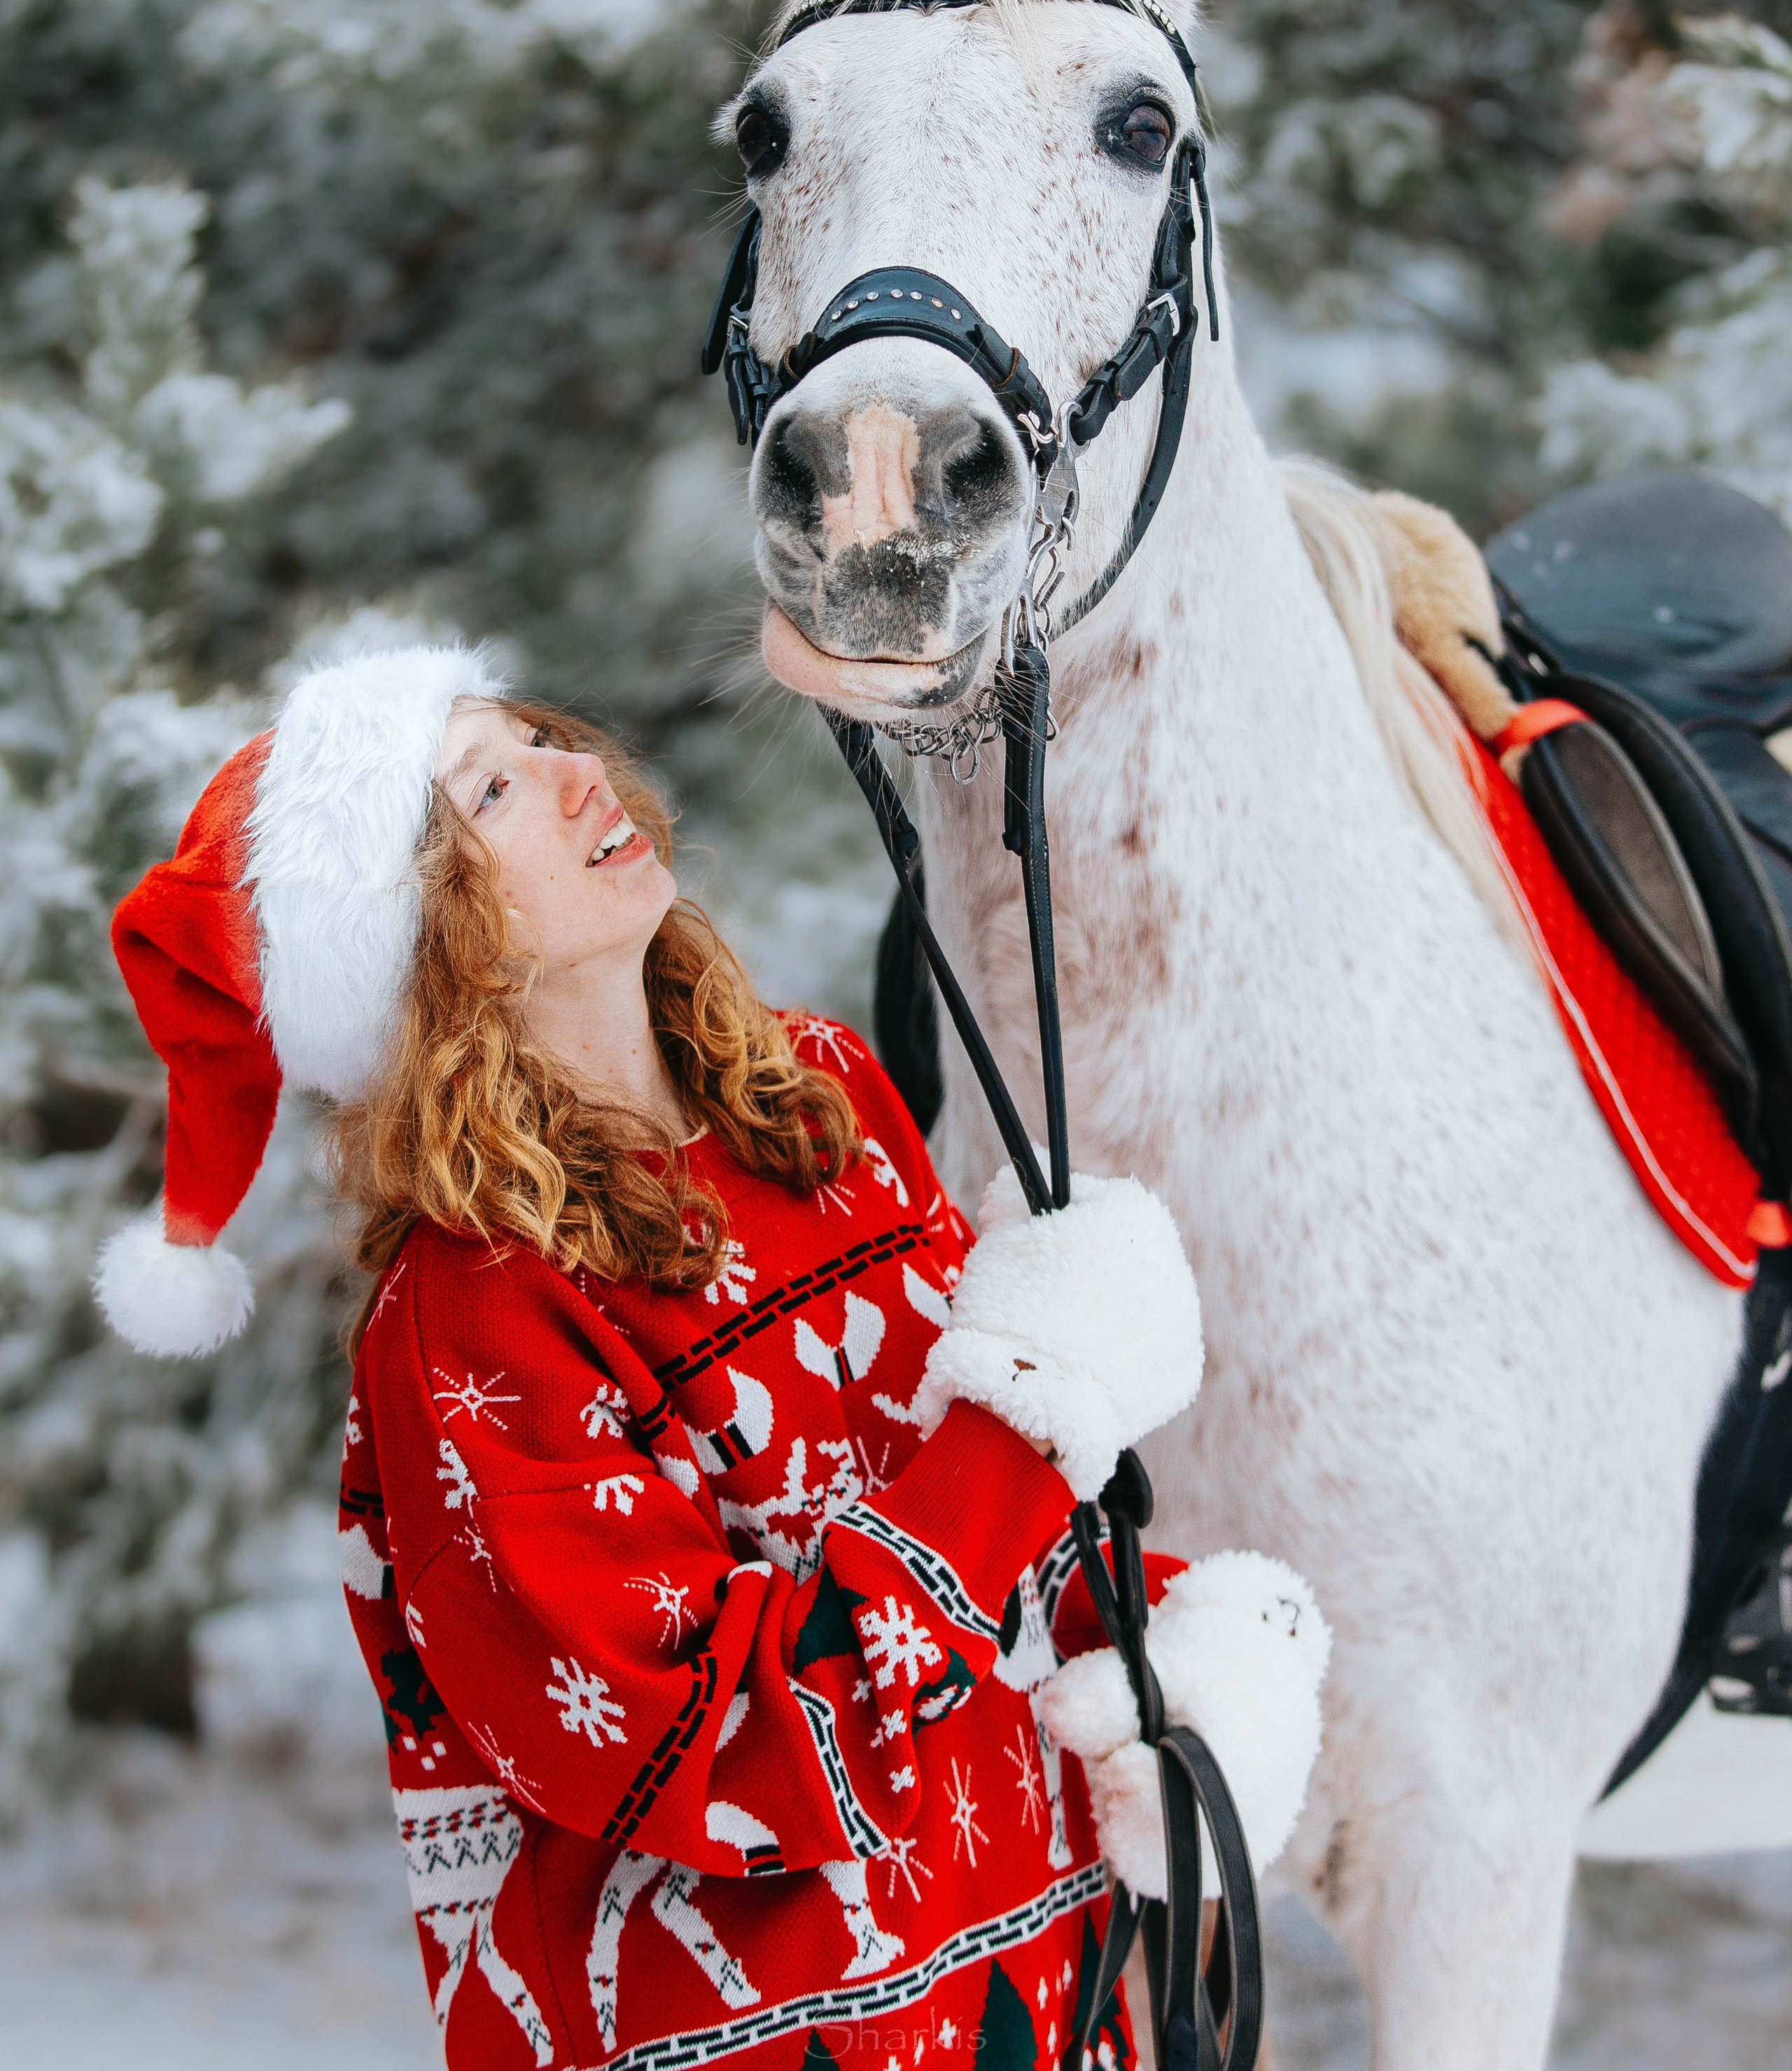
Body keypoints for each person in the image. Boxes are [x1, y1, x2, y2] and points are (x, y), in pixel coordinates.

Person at [97, 639, 1328, 2071]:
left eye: (543, 737)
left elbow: (961, 1514)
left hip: (1038, 1987)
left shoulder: (817, 1101)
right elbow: (698, 1745)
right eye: (493, 788)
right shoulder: (473, 1318)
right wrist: (1032, 1412)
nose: (577, 773)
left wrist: (1161, 1635)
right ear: (420, 933)